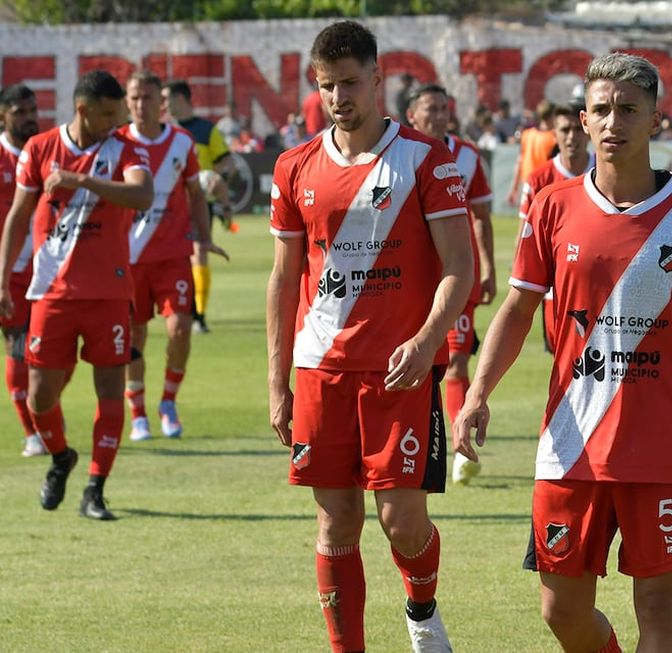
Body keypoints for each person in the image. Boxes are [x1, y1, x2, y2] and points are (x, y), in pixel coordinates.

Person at [454, 52, 672, 653]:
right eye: (601, 110)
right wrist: (476, 394)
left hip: (663, 444)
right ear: (582, 119)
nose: (613, 122)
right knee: (561, 611)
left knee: (659, 608)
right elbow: (518, 310)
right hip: (571, 441)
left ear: (655, 120)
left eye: (629, 109)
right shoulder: (552, 207)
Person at [266, 21, 473, 652]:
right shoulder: (293, 166)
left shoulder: (425, 160)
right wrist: (277, 382)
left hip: (398, 373)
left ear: (378, 78)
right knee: (336, 523)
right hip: (320, 371)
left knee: (402, 523)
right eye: (327, 85)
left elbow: (461, 267)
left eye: (350, 82)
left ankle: (422, 610)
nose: (338, 97)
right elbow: (281, 281)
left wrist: (427, 339)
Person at [0, 70, 153, 520]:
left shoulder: (126, 148)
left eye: (119, 113)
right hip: (50, 293)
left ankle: (95, 488)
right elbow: (17, 217)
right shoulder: (40, 149)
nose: (116, 122)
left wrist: (82, 181)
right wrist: (3, 275)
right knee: (39, 397)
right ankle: (61, 456)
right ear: (83, 110)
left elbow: (142, 195)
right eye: (108, 114)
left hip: (108, 293)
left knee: (109, 390)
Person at [119, 71, 229, 442]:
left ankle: (168, 401)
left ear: (160, 102)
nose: (139, 105)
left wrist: (203, 235)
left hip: (172, 256)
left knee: (180, 329)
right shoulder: (117, 142)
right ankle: (138, 414)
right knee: (133, 335)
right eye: (133, 98)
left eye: (146, 98)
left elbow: (195, 193)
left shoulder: (181, 142)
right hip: (128, 260)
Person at [405, 83, 496, 486]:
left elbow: (480, 217)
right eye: (431, 109)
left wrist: (489, 265)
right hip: (410, 279)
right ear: (412, 115)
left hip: (458, 274)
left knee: (457, 360)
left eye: (444, 108)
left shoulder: (468, 156)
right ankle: (414, 436)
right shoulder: (399, 153)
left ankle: (460, 447)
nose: (440, 116)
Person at [517, 102, 594, 353]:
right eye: (564, 130)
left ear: (588, 128)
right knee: (564, 361)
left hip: (602, 284)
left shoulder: (608, 172)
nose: (571, 137)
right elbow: (525, 238)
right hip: (555, 290)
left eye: (577, 129)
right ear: (555, 133)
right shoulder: (539, 179)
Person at [161, 80, 233, 334]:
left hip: (200, 202)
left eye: (166, 97)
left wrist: (215, 177)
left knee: (198, 252)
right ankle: (181, 308)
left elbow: (226, 162)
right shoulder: (165, 131)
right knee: (176, 258)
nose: (163, 103)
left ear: (181, 98)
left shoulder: (206, 130)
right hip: (170, 204)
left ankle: (198, 316)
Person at [0, 84, 43, 457]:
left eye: (32, 109)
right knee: (17, 348)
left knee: (48, 357)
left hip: (44, 269)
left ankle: (40, 419)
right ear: (3, 115)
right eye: (20, 111)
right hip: (8, 273)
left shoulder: (45, 151)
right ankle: (32, 432)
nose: (30, 117)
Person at [505, 100, 557, 206]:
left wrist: (513, 189)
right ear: (552, 116)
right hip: (545, 185)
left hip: (527, 185)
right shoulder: (554, 138)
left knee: (526, 220)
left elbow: (519, 162)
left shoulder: (527, 134)